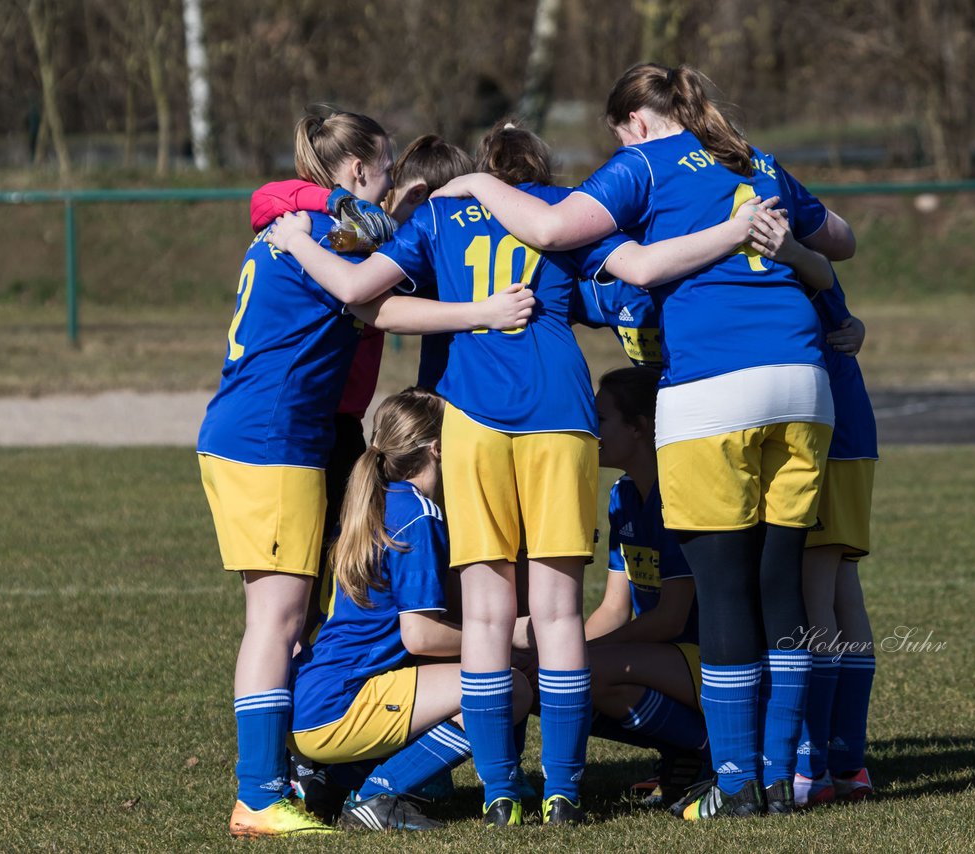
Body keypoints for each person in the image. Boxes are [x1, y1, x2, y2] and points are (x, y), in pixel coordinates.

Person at [267, 119, 770, 826]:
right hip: (560, 413)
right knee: (559, 610)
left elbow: (365, 298)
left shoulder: (442, 213)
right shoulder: (565, 211)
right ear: (538, 168)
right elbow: (634, 281)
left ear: (483, 167)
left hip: (469, 417)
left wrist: (461, 311)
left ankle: (503, 792)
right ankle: (562, 792)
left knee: (484, 611)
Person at [430, 64, 855, 819]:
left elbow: (557, 229)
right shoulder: (753, 159)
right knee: (781, 581)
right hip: (803, 381)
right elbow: (843, 240)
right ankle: (785, 775)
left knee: (723, 589)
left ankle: (735, 784)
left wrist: (479, 186)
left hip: (715, 384)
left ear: (636, 123)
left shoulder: (645, 163)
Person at [197, 106, 534, 839]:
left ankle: (293, 777)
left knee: (292, 619)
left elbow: (280, 202)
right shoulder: (328, 232)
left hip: (267, 431)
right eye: (381, 170)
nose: (384, 186)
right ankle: (259, 794)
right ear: (356, 169)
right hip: (270, 434)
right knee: (278, 623)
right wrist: (483, 311)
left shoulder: (310, 218)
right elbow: (374, 304)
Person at [289, 387, 533, 831]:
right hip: (340, 706)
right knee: (507, 685)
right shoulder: (420, 516)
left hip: (314, 703)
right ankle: (379, 793)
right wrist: (505, 635)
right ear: (439, 448)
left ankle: (332, 780)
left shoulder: (378, 503)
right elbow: (419, 635)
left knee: (483, 670)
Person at [583, 366, 710, 808]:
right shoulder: (622, 494)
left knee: (582, 672)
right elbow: (613, 609)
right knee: (553, 675)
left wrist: (590, 655)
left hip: (708, 660)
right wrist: (555, 652)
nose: (589, 430)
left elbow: (672, 617)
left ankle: (709, 748)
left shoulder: (677, 493)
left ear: (640, 429)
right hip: (661, 656)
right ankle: (684, 751)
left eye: (600, 420)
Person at [793, 276, 879, 807]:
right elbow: (843, 319)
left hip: (824, 431)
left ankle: (814, 763)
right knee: (841, 584)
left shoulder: (781, 244)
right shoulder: (806, 248)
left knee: (815, 590)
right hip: (849, 429)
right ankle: (848, 761)